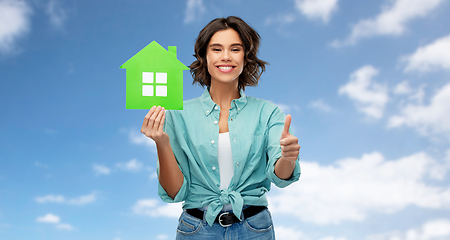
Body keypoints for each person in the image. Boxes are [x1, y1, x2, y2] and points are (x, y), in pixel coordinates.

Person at [141, 16, 301, 239]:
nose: (226, 56)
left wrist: (288, 157)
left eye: (235, 49)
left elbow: (281, 176)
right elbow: (174, 191)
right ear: (204, 56)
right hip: (197, 229)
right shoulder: (177, 115)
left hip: (254, 228)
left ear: (246, 56)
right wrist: (162, 142)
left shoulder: (268, 113)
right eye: (217, 49)